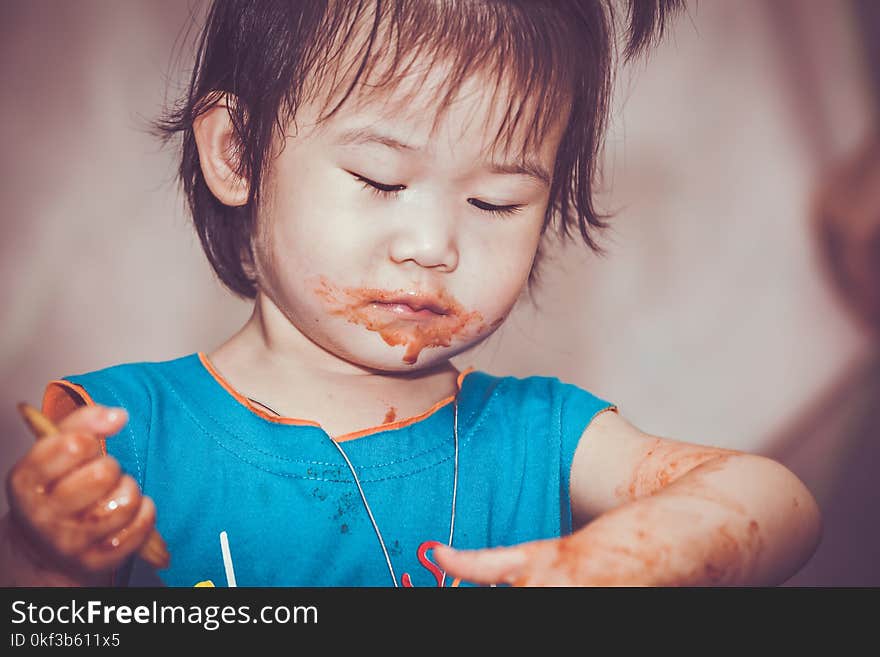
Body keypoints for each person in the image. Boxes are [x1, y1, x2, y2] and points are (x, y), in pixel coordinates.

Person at [0, 0, 821, 587]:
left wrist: (622, 560)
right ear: (237, 153)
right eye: (381, 179)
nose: (434, 246)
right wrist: (45, 559)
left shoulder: (540, 436)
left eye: (497, 201)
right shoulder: (127, 435)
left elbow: (779, 505)